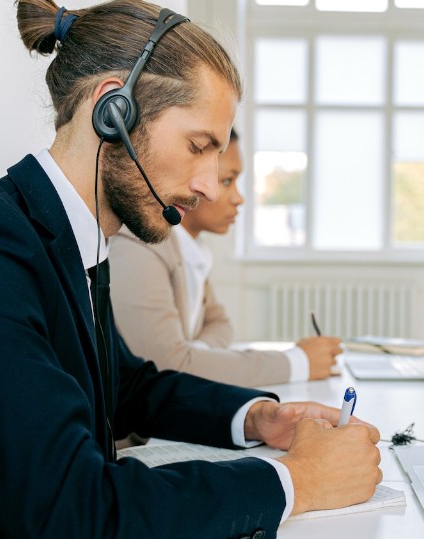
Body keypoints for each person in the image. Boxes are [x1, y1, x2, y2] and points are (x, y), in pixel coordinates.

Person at [0, 2, 381, 539]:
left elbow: (129, 385)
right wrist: (298, 479)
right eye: (197, 146)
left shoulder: (71, 242)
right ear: (113, 108)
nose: (209, 186)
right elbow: (72, 518)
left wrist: (258, 417)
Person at [109, 130, 343, 386]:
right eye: (228, 181)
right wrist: (297, 363)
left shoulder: (190, 249)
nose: (239, 198)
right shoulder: (138, 246)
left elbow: (220, 324)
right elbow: (168, 367)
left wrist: (193, 354)